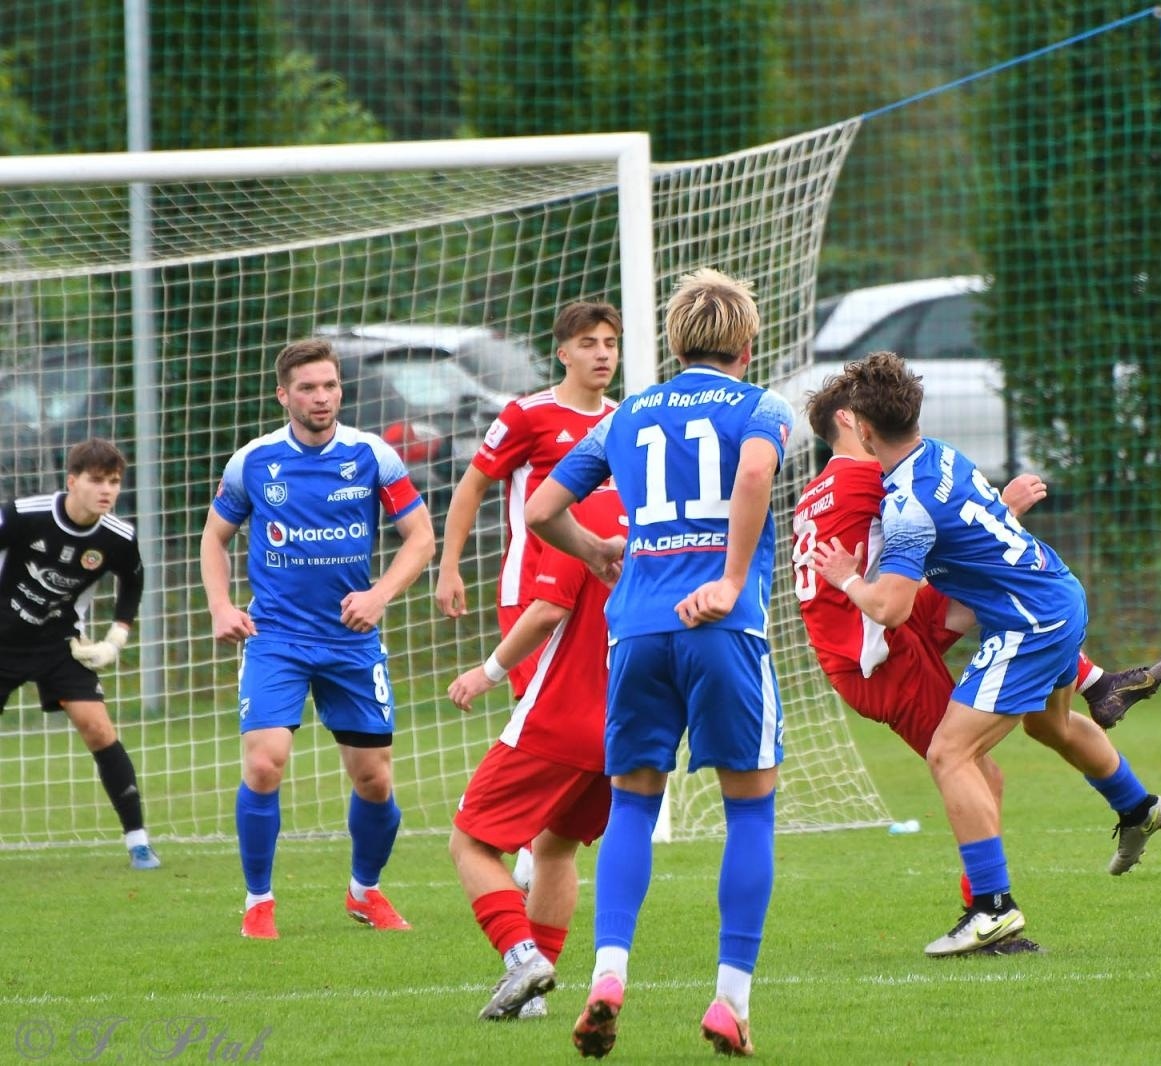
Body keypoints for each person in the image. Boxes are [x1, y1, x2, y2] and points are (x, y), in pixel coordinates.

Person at [810, 352, 1161, 958]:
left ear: (865, 431)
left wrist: (848, 577)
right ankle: (1137, 805)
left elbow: (891, 609)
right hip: (1058, 592)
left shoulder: (906, 504)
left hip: (1027, 625)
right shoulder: (943, 455)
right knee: (1049, 724)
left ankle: (991, 909)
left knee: (950, 753)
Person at [525, 267, 792, 1059]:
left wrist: (599, 552)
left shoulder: (630, 413)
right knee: (750, 808)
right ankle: (730, 1002)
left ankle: (608, 976)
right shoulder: (761, 405)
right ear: (747, 342)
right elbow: (751, 472)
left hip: (636, 630)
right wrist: (731, 579)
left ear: (675, 344)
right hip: (722, 626)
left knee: (633, 806)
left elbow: (543, 510)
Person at [201, 338, 436, 940]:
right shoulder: (252, 461)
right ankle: (259, 902)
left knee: (375, 780)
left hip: (351, 643)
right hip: (275, 637)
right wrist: (222, 605)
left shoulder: (372, 456)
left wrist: (379, 595)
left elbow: (420, 537)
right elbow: (214, 539)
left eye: (330, 385)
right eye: (308, 387)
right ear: (284, 395)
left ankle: (365, 892)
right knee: (264, 764)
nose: (322, 397)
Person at [445, 485, 626, 1023]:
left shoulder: (585, 514)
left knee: (470, 842)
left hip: (562, 719)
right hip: (631, 727)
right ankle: (535, 996)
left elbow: (548, 609)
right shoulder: (674, 524)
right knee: (555, 849)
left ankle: (523, 959)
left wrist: (488, 672)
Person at [434, 300, 621, 701]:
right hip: (533, 588)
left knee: (598, 714)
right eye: (588, 343)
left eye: (610, 343)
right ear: (564, 354)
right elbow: (471, 487)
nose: (603, 353)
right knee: (544, 713)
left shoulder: (622, 420)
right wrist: (449, 566)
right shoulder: (527, 415)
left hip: (600, 591)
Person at [0, 438, 159, 870]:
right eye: (95, 481)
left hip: (59, 644)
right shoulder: (25, 515)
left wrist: (116, 639)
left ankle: (139, 842)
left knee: (97, 729)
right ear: (72, 482)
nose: (106, 490)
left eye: (114, 482)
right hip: (3, 640)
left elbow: (133, 583)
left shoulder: (118, 537)